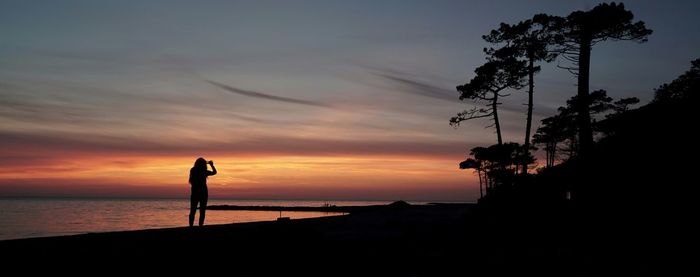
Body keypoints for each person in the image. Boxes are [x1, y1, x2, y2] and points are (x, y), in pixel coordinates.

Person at [189, 157, 217, 227]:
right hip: (203, 192)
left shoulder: (193, 170)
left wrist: (208, 164)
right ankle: (200, 226)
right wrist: (211, 165)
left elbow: (214, 173)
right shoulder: (204, 171)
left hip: (195, 192)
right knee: (202, 211)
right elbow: (214, 172)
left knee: (193, 210)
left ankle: (191, 226)